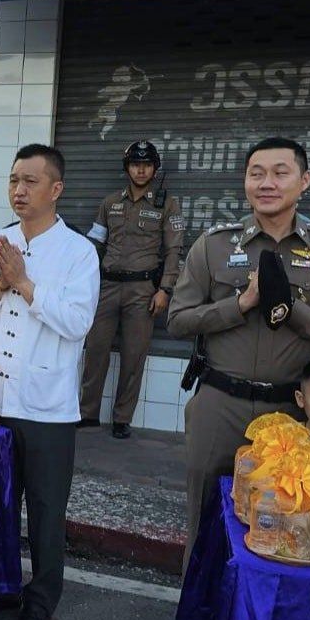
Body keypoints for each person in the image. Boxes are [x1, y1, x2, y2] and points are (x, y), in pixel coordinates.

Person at [168, 136, 310, 570]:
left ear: (305, 181)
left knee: (288, 530)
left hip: (292, 415)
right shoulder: (215, 245)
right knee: (204, 525)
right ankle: (198, 611)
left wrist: (292, 309)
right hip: (219, 405)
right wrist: (241, 304)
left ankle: (263, 613)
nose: (267, 183)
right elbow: (178, 320)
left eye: (280, 173)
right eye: (256, 173)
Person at [0, 143, 99, 620]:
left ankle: (41, 600)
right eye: (14, 180)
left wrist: (24, 282)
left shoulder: (78, 251)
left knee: (44, 509)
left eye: (30, 181)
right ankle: (0, 586)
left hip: (48, 406)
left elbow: (77, 322)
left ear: (55, 189)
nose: (19, 190)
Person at [79, 140, 185, 438]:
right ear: (127, 168)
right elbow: (94, 245)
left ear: (155, 169)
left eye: (147, 164)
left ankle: (121, 419)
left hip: (143, 290)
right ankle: (87, 414)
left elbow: (173, 251)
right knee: (95, 350)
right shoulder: (110, 202)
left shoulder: (167, 204)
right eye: (136, 164)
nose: (141, 170)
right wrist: (84, 283)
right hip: (107, 287)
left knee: (133, 355)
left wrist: (165, 290)